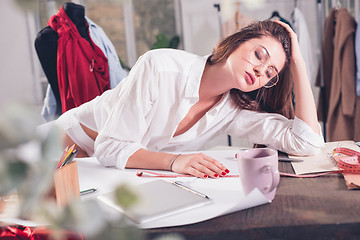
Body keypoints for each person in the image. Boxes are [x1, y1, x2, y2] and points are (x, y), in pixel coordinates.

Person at [55, 20, 324, 179]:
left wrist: (298, 63)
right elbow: (110, 147)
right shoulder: (160, 67)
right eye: (259, 56)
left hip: (111, 173)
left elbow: (307, 142)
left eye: (270, 73)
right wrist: (176, 161)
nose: (260, 71)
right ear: (237, 41)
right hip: (64, 146)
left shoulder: (233, 110)